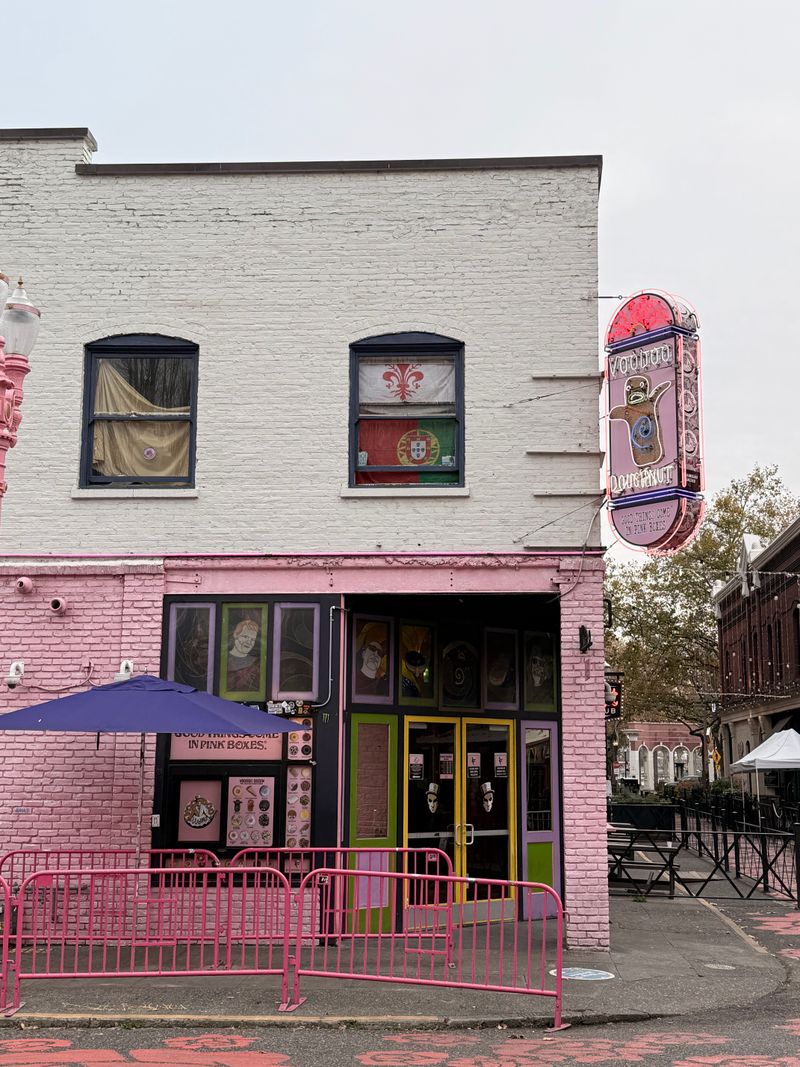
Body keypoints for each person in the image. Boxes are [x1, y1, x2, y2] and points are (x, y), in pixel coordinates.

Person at [354, 622, 389, 696]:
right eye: (372, 649)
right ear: (363, 653)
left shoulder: (383, 685)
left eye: (379, 653)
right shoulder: (351, 680)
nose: (375, 654)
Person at [226, 618, 261, 692]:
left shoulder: (256, 662)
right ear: (235, 635)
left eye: (252, 639)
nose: (249, 642)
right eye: (245, 637)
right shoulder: (222, 659)